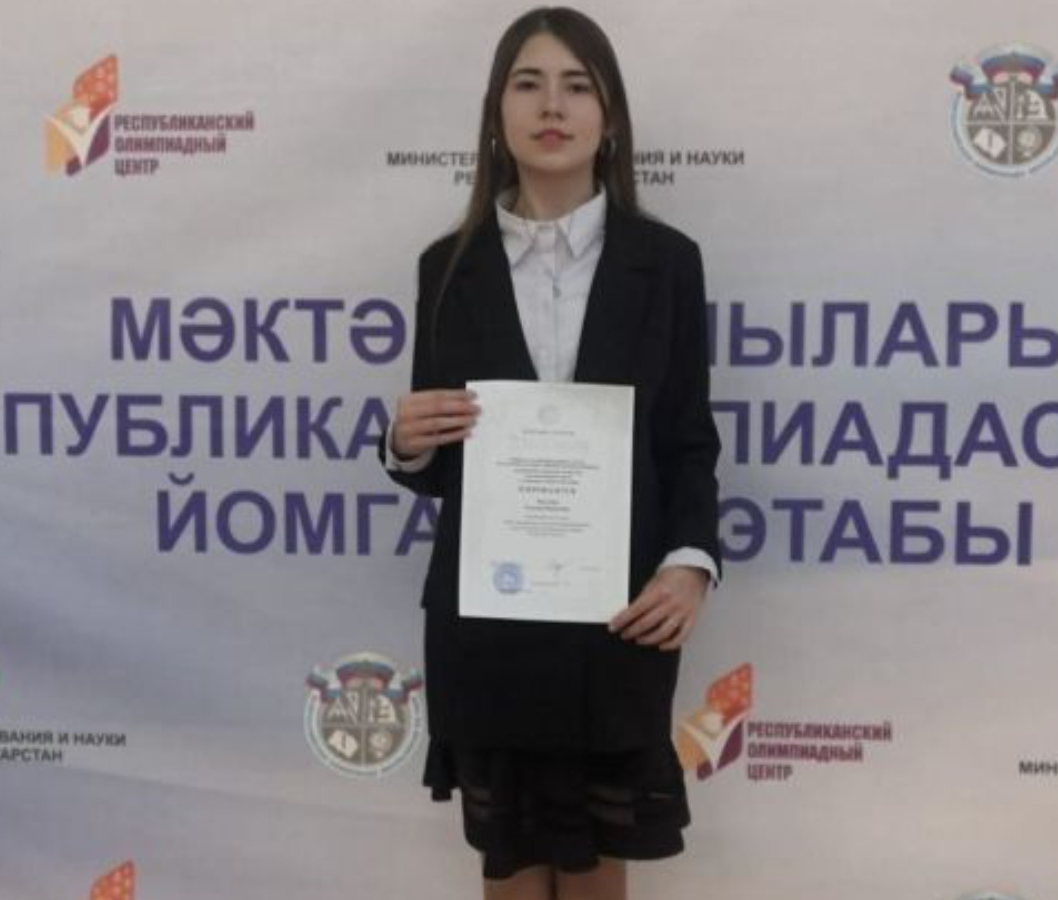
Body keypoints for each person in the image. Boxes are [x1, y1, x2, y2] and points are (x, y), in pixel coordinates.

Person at [381, 8, 721, 899]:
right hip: (489, 625)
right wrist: (406, 444)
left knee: (599, 870)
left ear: (610, 117)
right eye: (527, 83)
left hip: (618, 616)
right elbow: (448, 462)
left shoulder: (668, 262)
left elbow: (688, 439)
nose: (552, 106)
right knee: (510, 869)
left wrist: (690, 565)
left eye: (578, 86)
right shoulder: (446, 267)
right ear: (497, 114)